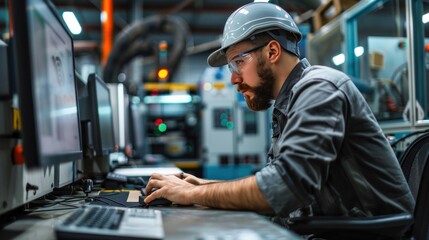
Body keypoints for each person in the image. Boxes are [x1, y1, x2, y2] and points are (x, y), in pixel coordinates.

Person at [144, 2, 414, 224]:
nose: (234, 80)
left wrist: (194, 194)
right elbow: (275, 181)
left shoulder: (319, 88)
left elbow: (283, 189)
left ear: (272, 51)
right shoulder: (290, 101)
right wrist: (201, 186)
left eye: (238, 63)